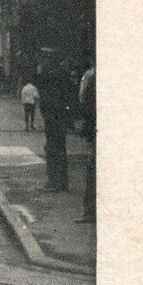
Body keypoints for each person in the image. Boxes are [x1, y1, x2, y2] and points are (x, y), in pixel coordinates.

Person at [35, 58, 73, 191]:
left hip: (53, 120)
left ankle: (54, 182)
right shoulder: (61, 76)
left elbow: (48, 102)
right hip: (59, 119)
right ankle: (61, 182)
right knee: (60, 150)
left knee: (52, 150)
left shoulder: (51, 80)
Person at [77, 60, 96, 223]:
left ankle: (90, 212)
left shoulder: (91, 77)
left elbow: (84, 99)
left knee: (93, 171)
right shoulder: (92, 76)